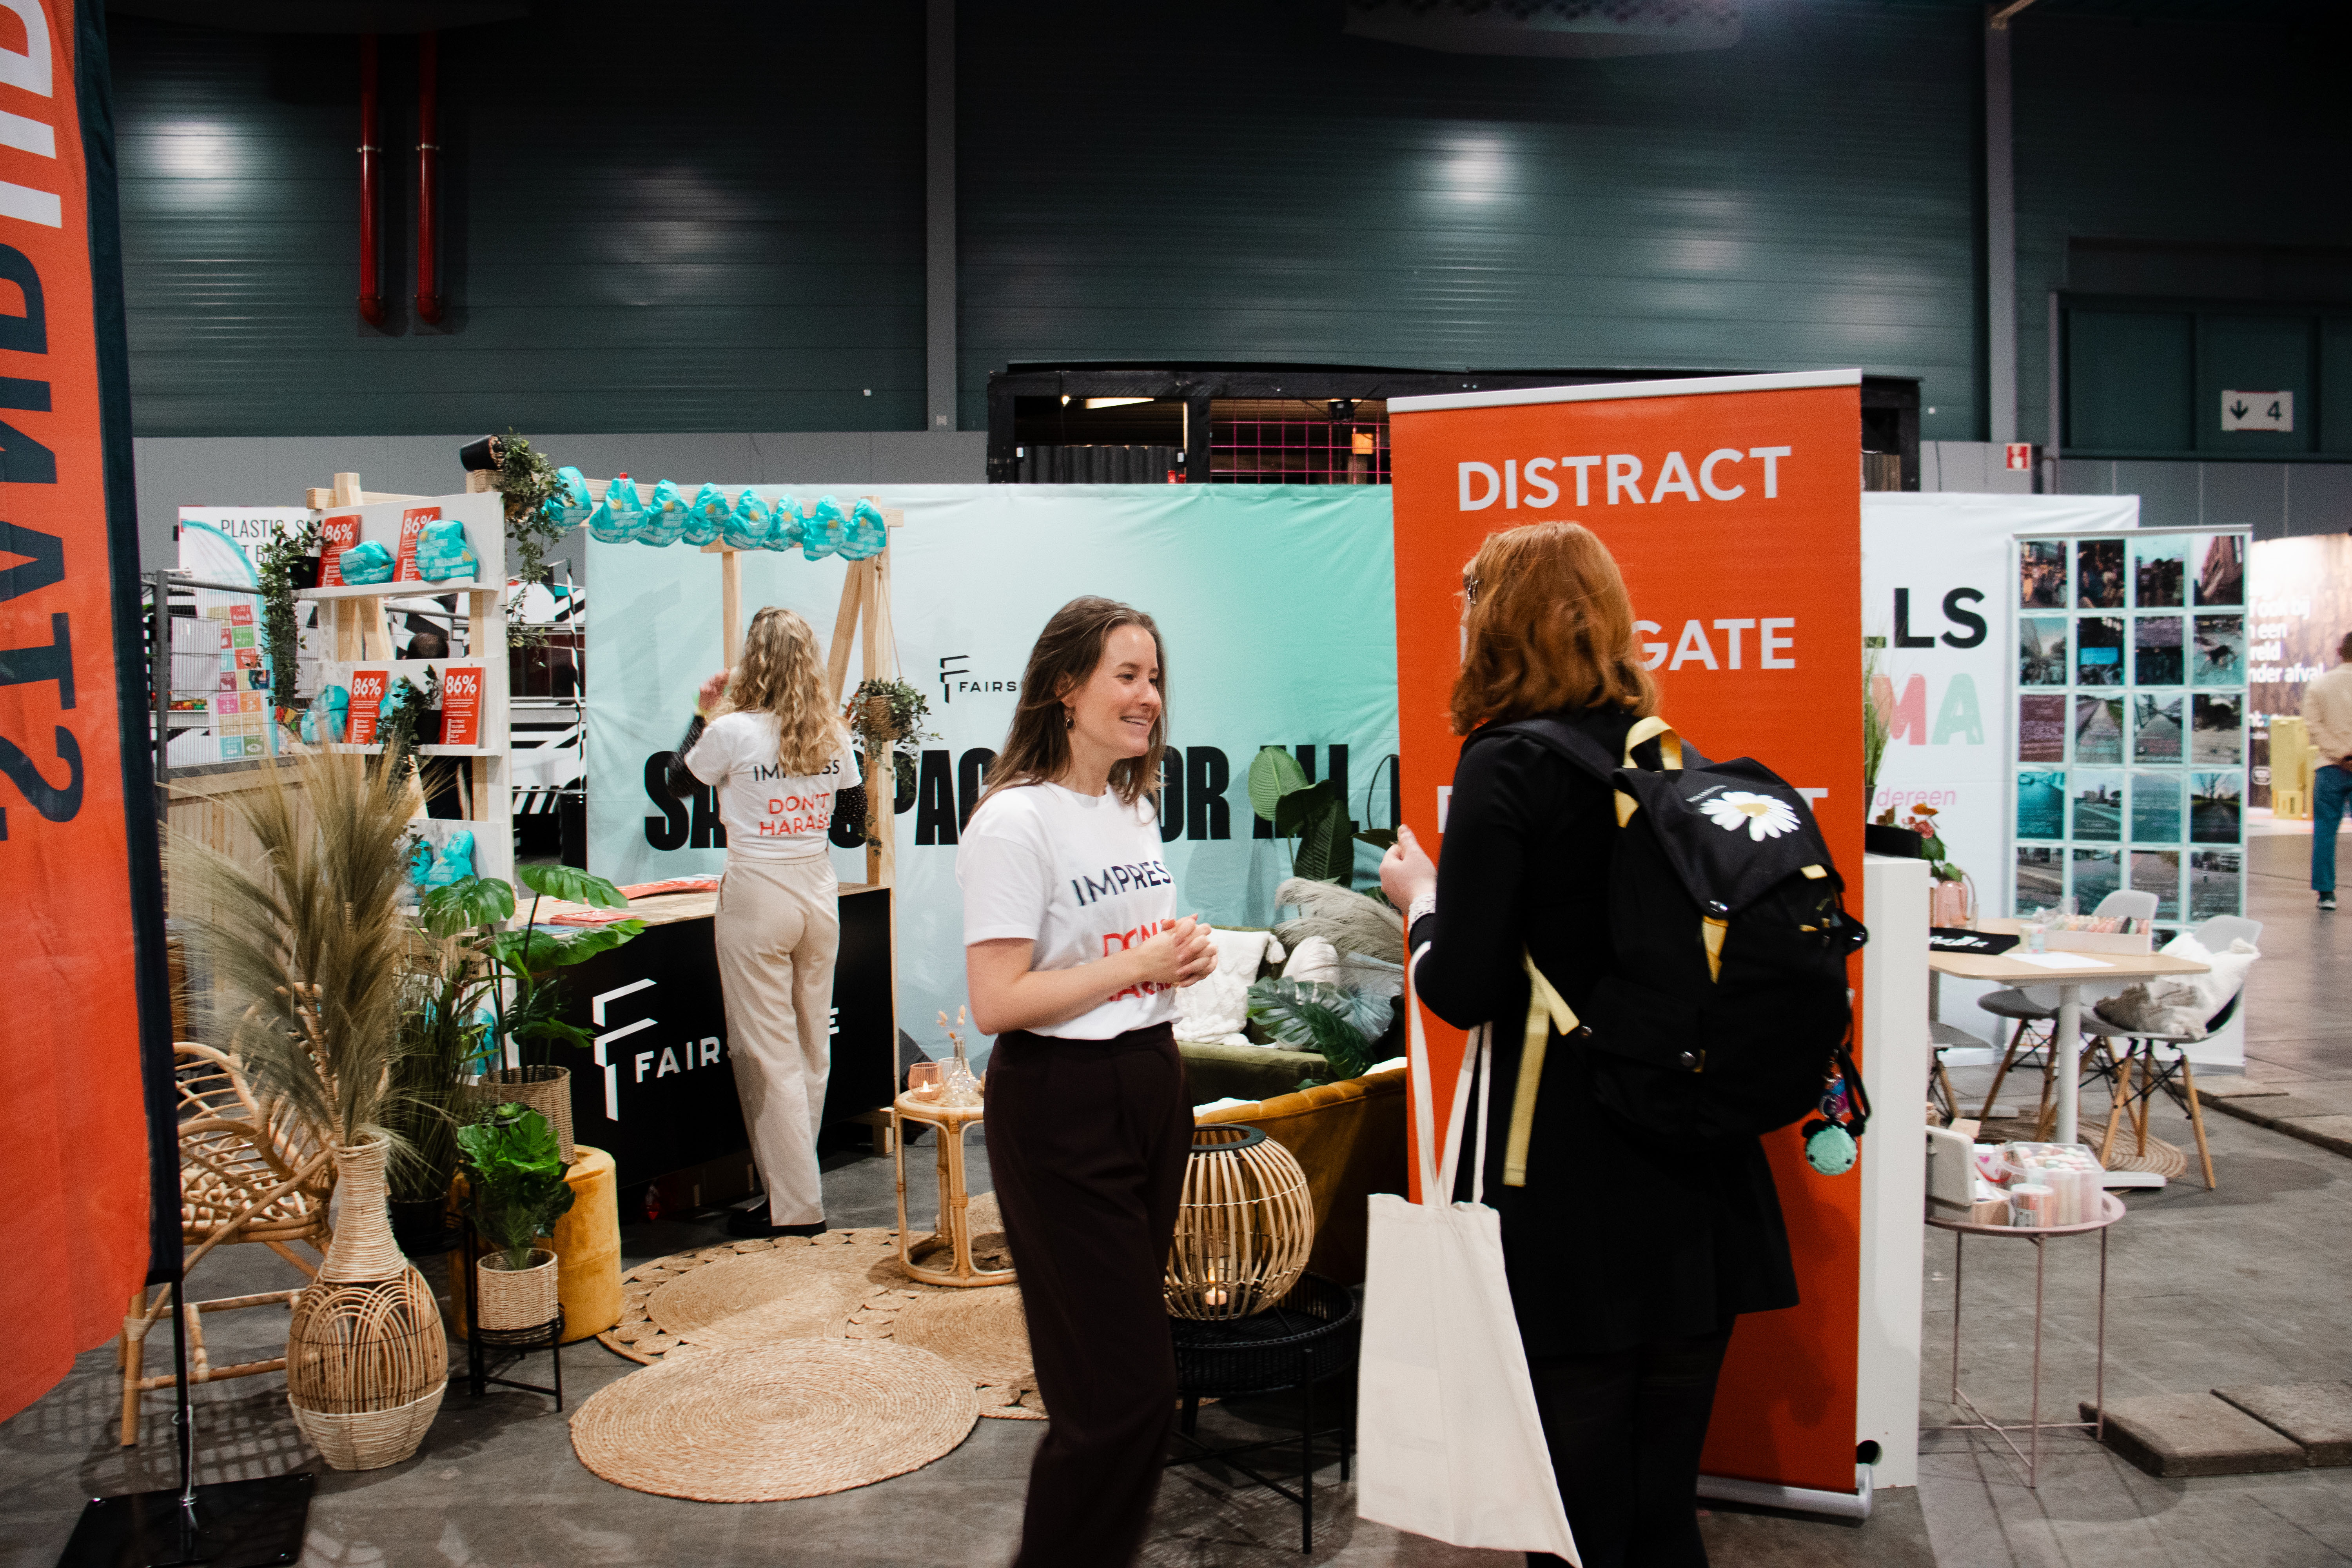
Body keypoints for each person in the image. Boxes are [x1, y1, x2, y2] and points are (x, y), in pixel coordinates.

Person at [1379, 521, 1797, 1568]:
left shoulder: (1506, 764)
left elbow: (1463, 991)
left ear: (1497, 618)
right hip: (1700, 1172)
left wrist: (1421, 902)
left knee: (1570, 1522)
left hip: (1570, 1183)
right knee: (1663, 1515)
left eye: (1471, 595)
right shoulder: (1671, 761)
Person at [957, 596, 1216, 1568]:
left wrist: (1171, 961)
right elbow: (997, 999)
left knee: (1115, 1387)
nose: (1148, 696)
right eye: (1126, 674)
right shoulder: (1014, 821)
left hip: (1149, 1079)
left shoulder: (1128, 806)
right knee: (1121, 1397)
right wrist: (1139, 962)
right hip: (1061, 1102)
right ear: (1064, 687)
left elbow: (1120, 959)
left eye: (1155, 678)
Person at [669, 606, 865, 1238]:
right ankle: (793, 1192)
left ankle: (797, 1209)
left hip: (758, 892)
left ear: (754, 660)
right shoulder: (833, 733)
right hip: (818, 889)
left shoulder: (731, 731)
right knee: (812, 1048)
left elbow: (676, 783)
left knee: (769, 1054)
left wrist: (703, 714)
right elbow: (853, 823)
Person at [2304, 629, 2352, 911]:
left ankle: (2326, 894)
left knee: (2324, 830)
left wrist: (2341, 755)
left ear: (2338, 652)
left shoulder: (2320, 685)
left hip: (2330, 768)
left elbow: (2314, 726)